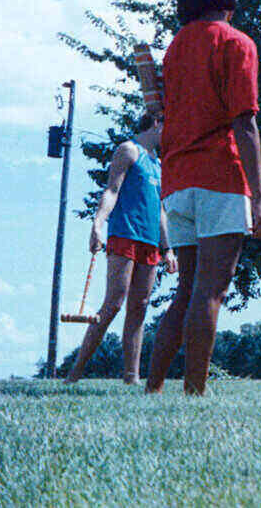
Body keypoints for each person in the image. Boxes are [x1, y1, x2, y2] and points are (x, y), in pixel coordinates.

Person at [145, 0, 261, 396]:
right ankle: (194, 394)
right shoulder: (237, 43)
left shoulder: (175, 48)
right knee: (210, 292)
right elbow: (245, 122)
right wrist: (259, 196)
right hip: (219, 175)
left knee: (184, 293)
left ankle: (154, 388)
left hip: (176, 179)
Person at [64, 113, 177, 385]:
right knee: (114, 303)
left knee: (140, 305)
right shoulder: (128, 150)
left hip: (150, 242)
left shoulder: (158, 164)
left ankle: (132, 377)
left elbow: (160, 209)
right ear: (157, 124)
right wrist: (97, 224)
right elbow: (112, 190)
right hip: (124, 234)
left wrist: (168, 248)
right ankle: (74, 373)